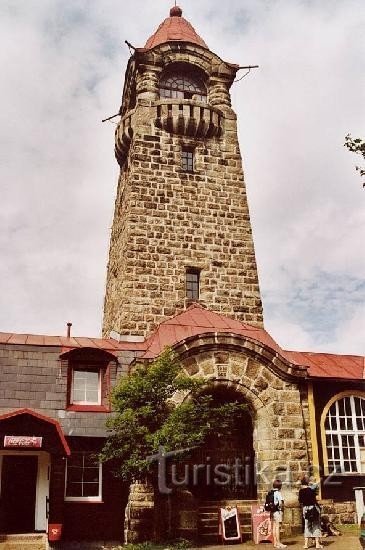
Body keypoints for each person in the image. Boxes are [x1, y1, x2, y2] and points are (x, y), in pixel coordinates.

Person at [298, 476, 323, 549]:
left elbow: (300, 501)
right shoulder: (311, 490)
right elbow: (315, 499)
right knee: (316, 525)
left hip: (305, 509)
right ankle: (317, 544)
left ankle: (306, 544)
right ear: (308, 482)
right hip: (313, 508)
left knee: (307, 526)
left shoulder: (301, 491)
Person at [271, 479, 287, 549]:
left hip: (272, 512)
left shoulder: (270, 493)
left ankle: (275, 543)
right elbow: (280, 503)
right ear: (280, 486)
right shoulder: (278, 493)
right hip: (277, 511)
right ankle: (279, 543)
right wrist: (281, 510)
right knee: (278, 527)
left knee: (274, 527)